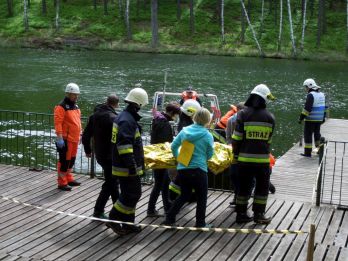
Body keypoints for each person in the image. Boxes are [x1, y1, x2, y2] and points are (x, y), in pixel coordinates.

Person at [106, 87, 148, 236]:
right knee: (132, 194)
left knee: (130, 194)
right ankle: (113, 218)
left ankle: (129, 223)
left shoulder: (125, 117)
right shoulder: (127, 120)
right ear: (138, 104)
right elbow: (124, 147)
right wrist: (132, 167)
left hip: (124, 166)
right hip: (126, 168)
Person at [162, 108, 214, 228]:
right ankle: (200, 223)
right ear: (207, 120)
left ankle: (170, 218)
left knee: (184, 194)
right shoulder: (207, 135)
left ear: (194, 117)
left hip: (183, 168)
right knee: (202, 197)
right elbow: (210, 154)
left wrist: (178, 158)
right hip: (199, 170)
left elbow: (174, 146)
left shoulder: (185, 131)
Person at [232, 84, 275, 224]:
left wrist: (236, 156)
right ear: (264, 99)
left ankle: (241, 215)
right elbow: (268, 140)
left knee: (243, 188)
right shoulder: (270, 117)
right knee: (262, 189)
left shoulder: (242, 114)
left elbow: (237, 138)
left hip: (244, 161)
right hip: (262, 161)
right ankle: (259, 215)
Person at [82, 94, 120, 219]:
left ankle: (117, 209)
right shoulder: (114, 118)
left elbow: (86, 136)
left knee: (112, 182)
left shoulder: (94, 116)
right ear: (116, 104)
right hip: (111, 155)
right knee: (111, 183)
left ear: (106, 101)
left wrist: (88, 150)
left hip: (99, 154)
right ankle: (99, 211)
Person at [147, 103, 181, 217]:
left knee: (165, 182)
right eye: (176, 115)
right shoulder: (164, 124)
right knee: (159, 184)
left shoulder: (158, 119)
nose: (175, 117)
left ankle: (167, 206)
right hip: (161, 157)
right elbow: (166, 143)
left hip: (156, 155)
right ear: (171, 113)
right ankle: (151, 209)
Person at [54, 83, 82, 191]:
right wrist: (60, 138)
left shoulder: (75, 106)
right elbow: (58, 123)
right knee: (64, 160)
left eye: (77, 94)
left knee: (72, 160)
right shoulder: (61, 107)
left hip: (74, 138)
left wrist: (80, 133)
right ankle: (62, 182)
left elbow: (78, 122)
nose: (76, 96)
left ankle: (68, 178)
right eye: (74, 94)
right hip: (66, 139)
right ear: (69, 93)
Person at [298, 78, 326, 157]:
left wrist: (301, 118)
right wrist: (323, 118)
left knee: (308, 135)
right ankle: (319, 150)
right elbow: (325, 107)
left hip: (311, 119)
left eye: (305, 87)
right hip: (319, 119)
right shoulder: (322, 94)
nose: (305, 89)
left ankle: (307, 153)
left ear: (309, 86)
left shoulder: (311, 95)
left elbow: (307, 109)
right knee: (317, 134)